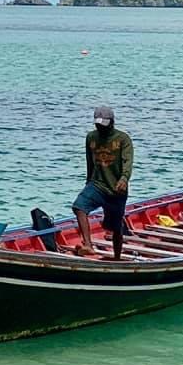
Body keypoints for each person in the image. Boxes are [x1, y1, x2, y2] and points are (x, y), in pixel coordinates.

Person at [74, 106, 133, 258]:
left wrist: (124, 179)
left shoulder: (122, 139)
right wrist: (88, 182)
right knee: (79, 206)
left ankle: (117, 258)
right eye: (98, 125)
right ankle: (88, 245)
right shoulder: (91, 138)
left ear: (112, 123)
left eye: (103, 125)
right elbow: (90, 161)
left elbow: (128, 161)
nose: (100, 128)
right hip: (97, 184)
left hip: (117, 189)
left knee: (115, 227)